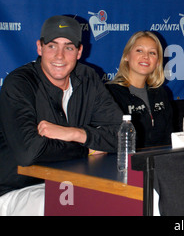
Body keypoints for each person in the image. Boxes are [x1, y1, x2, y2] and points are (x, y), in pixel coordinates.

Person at [0, 15, 123, 215]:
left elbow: (123, 135)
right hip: (16, 188)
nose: (59, 56)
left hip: (67, 181)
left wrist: (75, 134)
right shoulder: (20, 83)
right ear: (39, 48)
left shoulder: (87, 77)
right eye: (52, 46)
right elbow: (28, 152)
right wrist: (84, 149)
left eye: (68, 47)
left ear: (79, 52)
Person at [106, 31, 173, 148]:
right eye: (139, 50)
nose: (146, 56)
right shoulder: (109, 93)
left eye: (152, 53)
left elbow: (170, 138)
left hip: (161, 162)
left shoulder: (161, 93)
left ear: (157, 62)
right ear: (126, 56)